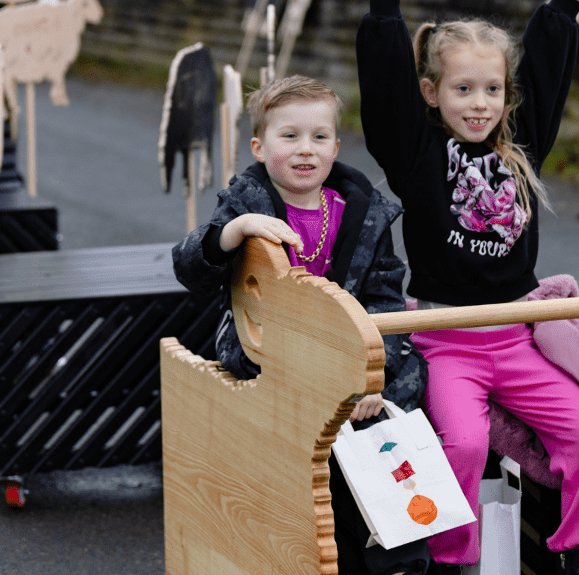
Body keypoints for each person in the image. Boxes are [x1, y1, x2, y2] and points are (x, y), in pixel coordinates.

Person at [348, 0, 579, 575]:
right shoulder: (415, 154)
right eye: (463, 88)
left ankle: (577, 551)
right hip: (447, 341)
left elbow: (549, 63)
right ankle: (451, 560)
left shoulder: (521, 147)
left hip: (518, 338)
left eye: (492, 89)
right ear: (432, 92)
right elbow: (383, 84)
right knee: (462, 446)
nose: (479, 103)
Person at [171, 75, 430, 575]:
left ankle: (400, 552)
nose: (305, 149)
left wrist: (371, 376)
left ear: (335, 148)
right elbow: (189, 269)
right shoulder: (247, 204)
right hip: (271, 352)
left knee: (390, 417)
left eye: (318, 137)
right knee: (313, 449)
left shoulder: (363, 213)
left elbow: (384, 299)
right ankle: (326, 550)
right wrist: (235, 231)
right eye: (289, 136)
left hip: (350, 353)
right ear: (260, 146)